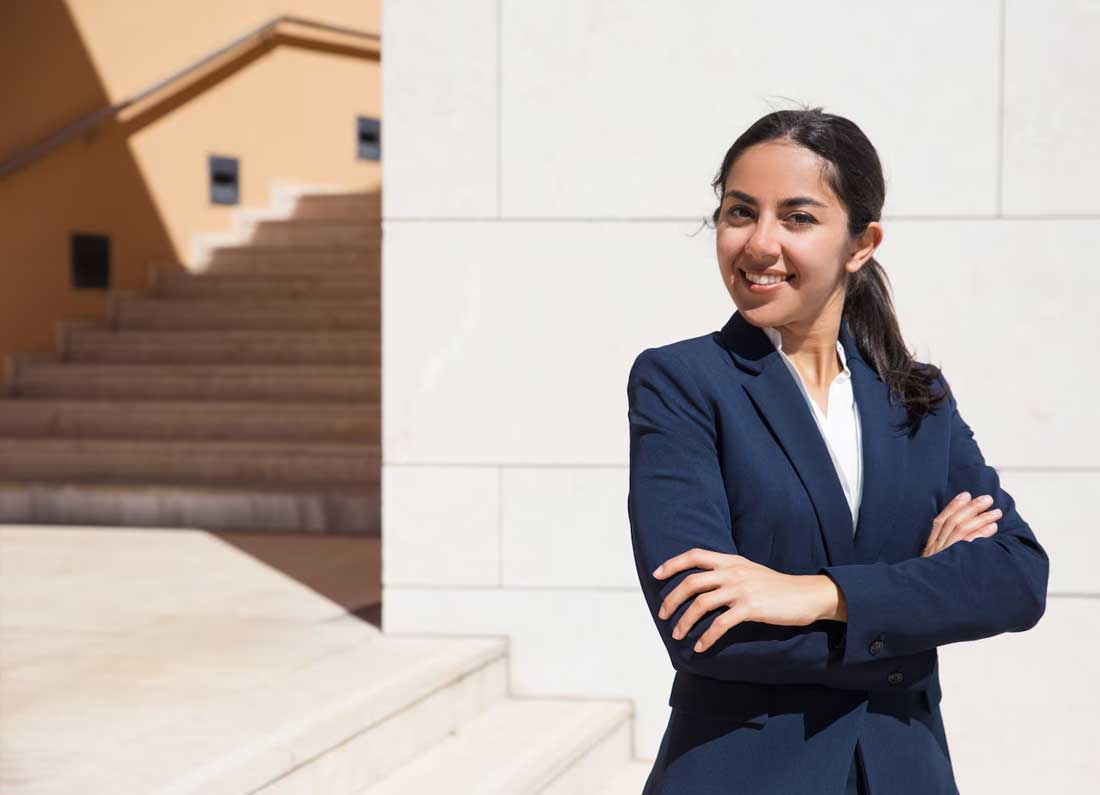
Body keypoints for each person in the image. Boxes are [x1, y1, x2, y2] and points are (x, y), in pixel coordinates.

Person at [627, 106, 1049, 794]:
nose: (760, 243)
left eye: (797, 217)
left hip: (905, 770)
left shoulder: (917, 398)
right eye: (740, 212)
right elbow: (701, 625)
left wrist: (816, 594)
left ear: (861, 243)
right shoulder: (682, 383)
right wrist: (918, 597)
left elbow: (1017, 579)